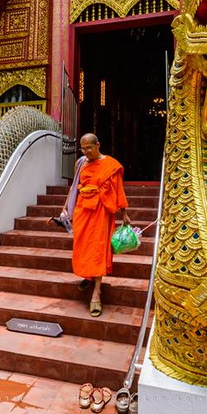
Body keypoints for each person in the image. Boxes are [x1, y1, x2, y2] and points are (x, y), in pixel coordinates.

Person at [61, 133, 130, 317]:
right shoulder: (81, 163)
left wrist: (124, 213)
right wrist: (67, 208)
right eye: (82, 149)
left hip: (102, 210)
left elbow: (118, 189)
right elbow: (74, 186)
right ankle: (88, 275)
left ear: (97, 145)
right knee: (83, 246)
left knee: (98, 248)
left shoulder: (110, 165)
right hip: (83, 210)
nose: (85, 152)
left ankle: (96, 293)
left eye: (88, 148)